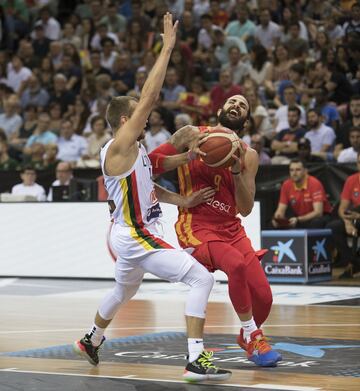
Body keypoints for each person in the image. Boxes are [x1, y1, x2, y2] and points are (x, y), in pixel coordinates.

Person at [73, 14, 231, 383]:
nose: (146, 116)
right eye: (139, 113)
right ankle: (195, 359)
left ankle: (91, 339)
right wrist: (168, 47)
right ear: (127, 118)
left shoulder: (136, 152)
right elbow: (150, 95)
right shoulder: (119, 147)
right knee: (201, 280)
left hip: (129, 232)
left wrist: (184, 199)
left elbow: (151, 189)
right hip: (135, 233)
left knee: (123, 289)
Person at [149, 94, 282, 367]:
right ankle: (254, 335)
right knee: (235, 265)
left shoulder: (249, 155)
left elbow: (245, 209)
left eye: (243, 106)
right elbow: (148, 167)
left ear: (245, 121)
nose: (236, 106)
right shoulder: (190, 134)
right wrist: (182, 198)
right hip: (196, 224)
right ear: (220, 109)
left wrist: (235, 172)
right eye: (232, 102)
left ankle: (247, 336)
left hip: (231, 228)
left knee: (264, 298)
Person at [326, 153, 360, 279]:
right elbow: (342, 208)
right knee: (333, 226)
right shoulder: (352, 180)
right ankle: (355, 262)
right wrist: (347, 222)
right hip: (353, 218)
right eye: (359, 162)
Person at [272, 159, 332, 229]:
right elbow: (280, 209)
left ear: (305, 171)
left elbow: (318, 212)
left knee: (315, 223)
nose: (294, 173)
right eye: (291, 170)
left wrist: (298, 219)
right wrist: (277, 218)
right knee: (273, 224)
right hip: (300, 217)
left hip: (321, 216)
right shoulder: (286, 185)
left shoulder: (315, 183)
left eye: (298, 170)